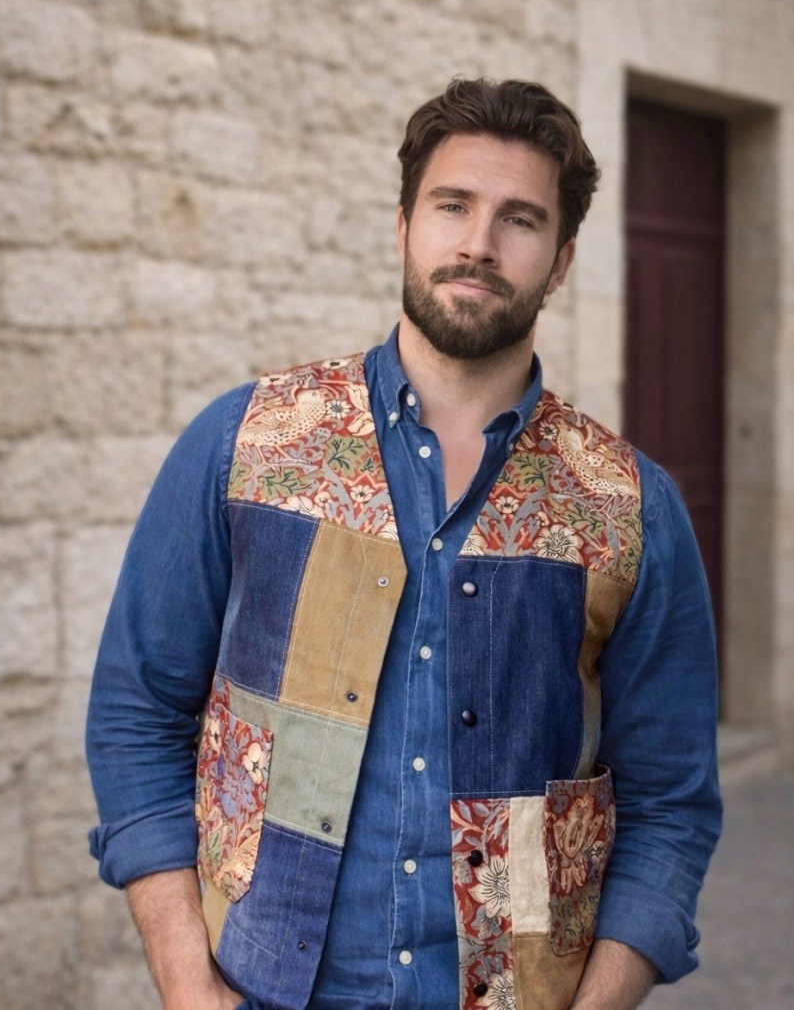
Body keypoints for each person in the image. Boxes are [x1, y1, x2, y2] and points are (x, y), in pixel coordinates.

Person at [86, 78, 722, 1010]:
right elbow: (137, 714)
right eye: (452, 206)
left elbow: (670, 808)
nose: (479, 243)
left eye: (519, 219)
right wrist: (188, 987)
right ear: (403, 227)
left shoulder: (629, 506)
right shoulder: (248, 444)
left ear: (560, 261)